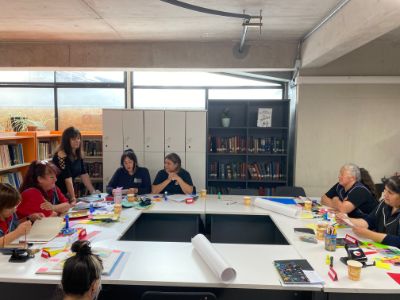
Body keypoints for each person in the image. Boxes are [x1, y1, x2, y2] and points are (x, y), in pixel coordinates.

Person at [337, 176, 400, 248]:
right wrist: (346, 220)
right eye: (385, 190)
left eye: (390, 193)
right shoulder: (384, 204)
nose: (385, 194)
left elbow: (398, 241)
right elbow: (369, 221)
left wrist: (369, 234)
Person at [53, 127, 96, 203]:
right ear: (67, 141)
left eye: (78, 138)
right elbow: (68, 179)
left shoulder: (78, 154)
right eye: (73, 139)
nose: (77, 141)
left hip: (67, 192)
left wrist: (93, 193)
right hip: (57, 192)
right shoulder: (61, 155)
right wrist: (73, 198)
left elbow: (84, 174)